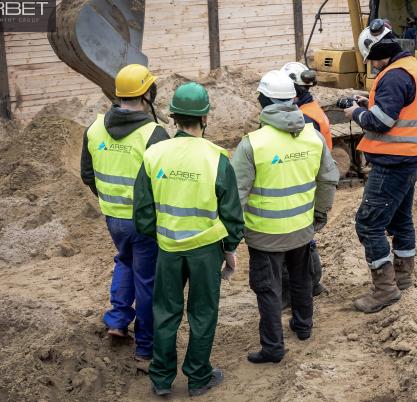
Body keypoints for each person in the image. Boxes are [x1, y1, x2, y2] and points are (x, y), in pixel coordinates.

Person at [132, 82, 244, 397]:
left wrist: (162, 235)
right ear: (205, 118)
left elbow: (141, 212)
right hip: (205, 251)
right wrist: (231, 246)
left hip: (167, 249)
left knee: (165, 312)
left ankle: (161, 379)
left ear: (174, 118)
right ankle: (197, 378)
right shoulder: (216, 157)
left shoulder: (154, 154)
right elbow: (232, 213)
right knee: (203, 313)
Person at [232, 70, 338, 364]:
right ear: (293, 98)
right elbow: (328, 179)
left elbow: (236, 195)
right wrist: (319, 214)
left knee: (268, 289)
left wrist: (231, 234)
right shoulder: (312, 135)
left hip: (264, 236)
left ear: (262, 101)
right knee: (302, 279)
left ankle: (273, 348)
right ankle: (303, 327)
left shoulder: (252, 144)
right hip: (302, 229)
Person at [343, 19, 417, 313]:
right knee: (400, 219)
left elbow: (381, 122)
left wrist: (357, 112)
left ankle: (384, 290)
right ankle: (403, 277)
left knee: (369, 224)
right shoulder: (412, 68)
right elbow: (398, 105)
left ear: (378, 52)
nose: (373, 65)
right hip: (410, 157)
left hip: (393, 162)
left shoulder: (394, 76)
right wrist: (368, 99)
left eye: (373, 60)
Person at [81, 63, 169, 361]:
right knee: (147, 280)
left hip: (114, 218)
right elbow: (165, 181)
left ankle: (118, 320)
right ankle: (145, 346)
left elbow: (87, 174)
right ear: (147, 93)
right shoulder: (153, 134)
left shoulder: (94, 128)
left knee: (125, 260)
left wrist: (110, 200)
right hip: (144, 222)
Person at [280, 62, 332, 299]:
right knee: (304, 237)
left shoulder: (304, 118)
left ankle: (304, 286)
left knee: (298, 240)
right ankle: (312, 283)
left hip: (304, 183)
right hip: (312, 181)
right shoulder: (310, 109)